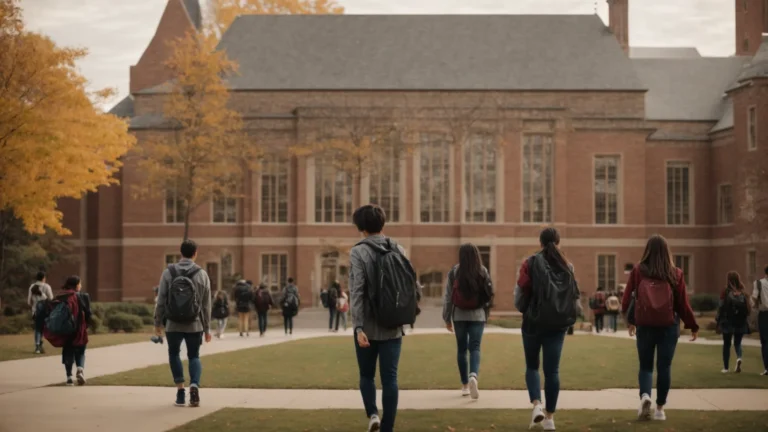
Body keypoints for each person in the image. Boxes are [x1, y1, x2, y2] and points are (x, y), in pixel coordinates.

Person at [350, 204, 420, 432]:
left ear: (361, 227)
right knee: (390, 378)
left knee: (366, 375)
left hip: (367, 326)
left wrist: (358, 326)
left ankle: (372, 415)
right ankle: (388, 427)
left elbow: (357, 291)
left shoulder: (358, 251)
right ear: (383, 224)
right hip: (393, 322)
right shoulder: (398, 248)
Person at [621, 234, 698, 422]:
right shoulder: (676, 273)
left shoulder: (638, 271)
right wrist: (692, 325)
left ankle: (645, 396)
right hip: (668, 325)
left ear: (647, 251)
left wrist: (630, 320)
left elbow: (626, 300)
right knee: (664, 367)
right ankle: (660, 409)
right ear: (666, 252)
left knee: (645, 366)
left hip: (645, 325)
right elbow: (682, 304)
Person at [515, 227, 582, 431]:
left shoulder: (530, 262)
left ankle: (537, 405)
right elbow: (573, 296)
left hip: (533, 322)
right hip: (557, 324)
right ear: (558, 242)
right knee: (552, 371)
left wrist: (523, 309)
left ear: (541, 242)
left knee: (532, 366)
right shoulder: (567, 266)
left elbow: (520, 293)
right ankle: (550, 418)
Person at [154, 239, 212, 408]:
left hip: (172, 323)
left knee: (174, 354)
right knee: (194, 356)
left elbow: (161, 300)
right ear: (195, 253)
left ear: (181, 253)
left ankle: (180, 392)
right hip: (194, 324)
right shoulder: (202, 274)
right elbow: (206, 305)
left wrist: (158, 322)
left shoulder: (168, 272)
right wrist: (207, 328)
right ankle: (194, 386)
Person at [443, 243, 493, 400]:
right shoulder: (482, 271)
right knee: (475, 348)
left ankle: (465, 385)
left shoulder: (454, 272)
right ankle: (473, 375)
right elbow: (488, 295)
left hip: (459, 316)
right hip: (477, 315)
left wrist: (447, 318)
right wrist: (486, 314)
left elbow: (448, 297)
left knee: (461, 350)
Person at [43, 276, 92, 385]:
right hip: (79, 329)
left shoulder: (61, 295)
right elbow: (88, 313)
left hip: (66, 329)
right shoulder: (83, 296)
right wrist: (86, 325)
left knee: (68, 351)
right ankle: (80, 369)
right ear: (76, 285)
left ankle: (69, 378)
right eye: (80, 283)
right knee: (81, 350)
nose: (81, 285)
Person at [717, 271, 751, 373]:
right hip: (740, 322)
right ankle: (739, 357)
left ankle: (726, 368)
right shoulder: (743, 292)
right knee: (738, 343)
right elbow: (748, 308)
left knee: (726, 344)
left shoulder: (725, 291)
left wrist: (718, 319)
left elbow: (721, 305)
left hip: (728, 321)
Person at [28, 271, 53, 354]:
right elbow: (51, 298)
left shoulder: (32, 286)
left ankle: (38, 345)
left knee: (37, 328)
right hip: (45, 311)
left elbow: (29, 301)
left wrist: (34, 306)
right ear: (43, 278)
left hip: (35, 311)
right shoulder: (47, 286)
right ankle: (39, 345)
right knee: (42, 328)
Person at [753, 265, 768, 376]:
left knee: (765, 342)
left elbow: (754, 297)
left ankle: (767, 368)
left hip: (764, 314)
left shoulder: (759, 283)